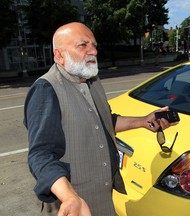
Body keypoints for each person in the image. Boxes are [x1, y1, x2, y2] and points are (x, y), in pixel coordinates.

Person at [23, 22, 178, 216]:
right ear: (59, 55)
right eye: (83, 45)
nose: (93, 51)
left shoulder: (92, 80)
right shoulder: (46, 89)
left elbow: (104, 122)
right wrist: (70, 197)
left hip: (104, 197)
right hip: (75, 204)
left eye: (94, 45)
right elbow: (40, 155)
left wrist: (143, 121)